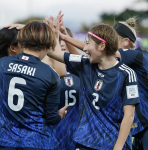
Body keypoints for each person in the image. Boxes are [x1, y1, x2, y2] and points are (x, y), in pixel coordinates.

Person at [45, 16, 140, 150]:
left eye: (88, 43)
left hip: (111, 144)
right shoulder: (84, 64)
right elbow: (53, 53)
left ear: (102, 45)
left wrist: (117, 148)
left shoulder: (126, 74)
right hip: (84, 143)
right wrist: (45, 33)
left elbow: (129, 116)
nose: (84, 48)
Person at [0, 21, 68, 150]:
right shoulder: (51, 74)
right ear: (46, 46)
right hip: (37, 142)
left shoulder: (1, 63)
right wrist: (60, 115)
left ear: (22, 41)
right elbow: (52, 118)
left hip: (6, 141)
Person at [113, 17, 148, 150]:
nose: (107, 43)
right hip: (139, 130)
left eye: (112, 39)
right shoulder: (121, 64)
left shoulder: (137, 56)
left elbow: (101, 53)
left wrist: (65, 38)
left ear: (126, 42)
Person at [52, 26, 80, 150]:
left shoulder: (82, 70)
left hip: (78, 130)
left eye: (64, 41)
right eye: (58, 42)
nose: (62, 45)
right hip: (54, 130)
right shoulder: (46, 69)